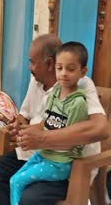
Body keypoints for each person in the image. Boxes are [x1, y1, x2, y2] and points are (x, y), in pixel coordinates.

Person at [0, 34, 110, 205]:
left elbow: (100, 129)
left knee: (29, 196)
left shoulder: (80, 86)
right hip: (38, 153)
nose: (29, 67)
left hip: (66, 162)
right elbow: (33, 119)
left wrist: (43, 138)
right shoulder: (40, 84)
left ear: (49, 64)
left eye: (32, 62)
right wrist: (19, 129)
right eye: (61, 68)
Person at [10, 41, 89, 205]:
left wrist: (40, 139)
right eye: (60, 68)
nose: (64, 73)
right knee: (14, 180)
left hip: (59, 163)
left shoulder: (78, 103)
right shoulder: (55, 94)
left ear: (83, 72)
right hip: (43, 154)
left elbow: (71, 141)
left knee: (18, 183)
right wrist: (25, 133)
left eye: (71, 69)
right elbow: (45, 123)